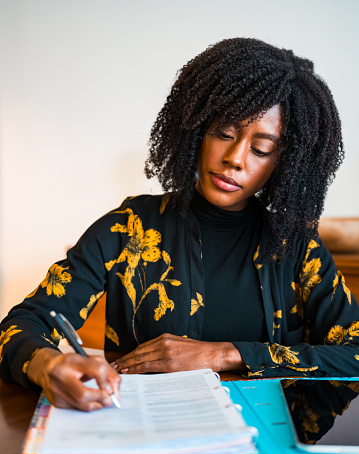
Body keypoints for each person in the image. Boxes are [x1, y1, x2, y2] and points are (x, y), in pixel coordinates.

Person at [1, 38, 358, 412]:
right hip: (148, 442)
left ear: (285, 162)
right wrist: (50, 365)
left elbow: (355, 352)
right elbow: (20, 327)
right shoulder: (128, 228)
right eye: (224, 132)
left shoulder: (296, 245)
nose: (234, 158)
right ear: (198, 129)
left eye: (261, 149)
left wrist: (227, 354)